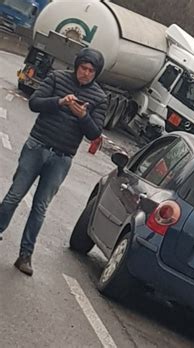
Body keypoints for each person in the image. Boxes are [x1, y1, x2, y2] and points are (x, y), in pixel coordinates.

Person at [0, 48, 107, 276]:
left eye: (91, 71)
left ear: (96, 73)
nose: (86, 73)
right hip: (37, 146)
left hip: (62, 157)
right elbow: (35, 103)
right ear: (77, 65)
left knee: (40, 207)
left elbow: (94, 132)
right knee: (15, 195)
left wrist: (83, 116)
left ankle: (25, 255)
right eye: (83, 68)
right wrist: (60, 102)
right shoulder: (57, 78)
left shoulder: (99, 97)